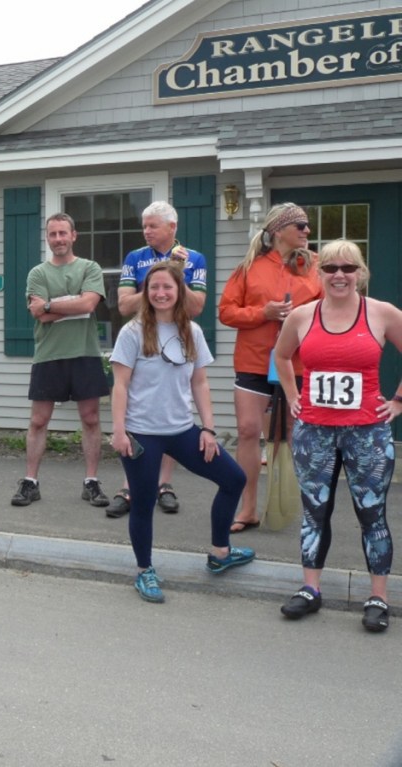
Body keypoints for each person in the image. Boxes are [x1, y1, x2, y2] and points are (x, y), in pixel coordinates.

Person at [273, 240, 402, 632]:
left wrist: (397, 401)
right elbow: (281, 356)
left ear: (360, 273)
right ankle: (311, 589)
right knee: (315, 510)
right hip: (315, 432)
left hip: (367, 432)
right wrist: (294, 398)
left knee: (372, 514)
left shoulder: (381, 313)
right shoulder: (301, 316)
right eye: (330, 268)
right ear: (320, 273)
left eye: (348, 268)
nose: (339, 275)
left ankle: (378, 596)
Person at [110, 262, 252, 603]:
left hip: (182, 430)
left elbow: (200, 383)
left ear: (179, 291)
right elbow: (120, 385)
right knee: (143, 504)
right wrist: (118, 432)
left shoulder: (192, 331)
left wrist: (208, 429)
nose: (160, 293)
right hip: (142, 433)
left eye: (167, 287)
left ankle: (220, 553)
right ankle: (145, 571)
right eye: (154, 287)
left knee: (233, 479)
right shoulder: (131, 332)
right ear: (146, 291)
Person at [218, 203, 322, 532]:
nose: (307, 231)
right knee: (249, 431)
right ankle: (247, 508)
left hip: (299, 363)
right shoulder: (250, 267)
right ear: (279, 230)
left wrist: (300, 321)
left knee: (290, 435)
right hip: (254, 360)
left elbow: (332, 309)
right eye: (301, 226)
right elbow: (226, 311)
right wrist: (263, 313)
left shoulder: (317, 265)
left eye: (307, 226)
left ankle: (290, 507)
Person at [106, 201, 208, 518]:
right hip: (141, 339)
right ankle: (129, 485)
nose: (146, 231)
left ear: (172, 227)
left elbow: (196, 307)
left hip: (176, 337)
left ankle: (164, 485)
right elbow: (124, 306)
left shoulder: (194, 259)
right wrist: (156, 284)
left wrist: (177, 276)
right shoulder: (135, 258)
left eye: (153, 225)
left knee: (171, 409)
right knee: (138, 408)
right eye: (145, 225)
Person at [12, 212, 110, 508]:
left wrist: (53, 306)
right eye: (52, 234)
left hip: (85, 353)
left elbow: (89, 304)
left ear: (73, 235)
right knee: (39, 421)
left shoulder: (89, 267)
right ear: (48, 237)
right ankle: (30, 482)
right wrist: (73, 304)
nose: (58, 239)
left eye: (62, 233)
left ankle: (91, 482)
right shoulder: (37, 273)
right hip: (48, 355)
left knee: (91, 419)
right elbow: (37, 313)